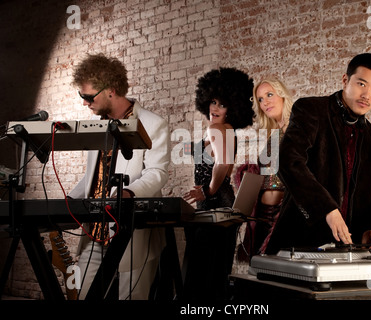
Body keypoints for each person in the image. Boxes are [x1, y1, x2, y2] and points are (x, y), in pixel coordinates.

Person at [265, 53, 371, 254]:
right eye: (361, 84)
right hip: (299, 241)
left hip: (349, 248)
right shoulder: (311, 109)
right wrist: (327, 209)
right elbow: (287, 161)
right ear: (345, 80)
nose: (367, 95)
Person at [69, 53, 170, 299]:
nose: (85, 103)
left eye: (89, 96)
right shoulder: (95, 125)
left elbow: (157, 173)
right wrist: (69, 200)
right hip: (96, 230)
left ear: (112, 90)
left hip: (133, 231)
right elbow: (93, 177)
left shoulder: (153, 123)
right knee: (80, 293)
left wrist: (128, 192)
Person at [183, 67, 254, 300]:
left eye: (222, 104)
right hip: (225, 200)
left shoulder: (216, 129)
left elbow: (223, 164)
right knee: (218, 263)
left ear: (232, 107)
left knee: (203, 263)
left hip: (215, 200)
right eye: (212, 102)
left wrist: (208, 189)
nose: (215, 108)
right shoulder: (228, 130)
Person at [236, 78, 293, 261]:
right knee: (260, 269)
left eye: (269, 95)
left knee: (280, 268)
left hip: (283, 213)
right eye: (260, 99)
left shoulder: (296, 126)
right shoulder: (273, 132)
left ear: (282, 95)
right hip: (262, 215)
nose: (265, 102)